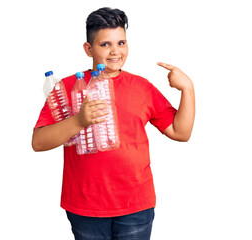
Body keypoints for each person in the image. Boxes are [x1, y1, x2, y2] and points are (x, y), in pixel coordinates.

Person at [32, 7, 195, 240]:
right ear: (88, 49)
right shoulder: (67, 87)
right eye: (105, 44)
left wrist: (188, 89)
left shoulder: (142, 87)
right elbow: (38, 142)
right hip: (86, 205)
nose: (115, 52)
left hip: (136, 204)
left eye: (121, 43)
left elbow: (181, 132)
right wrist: (79, 121)